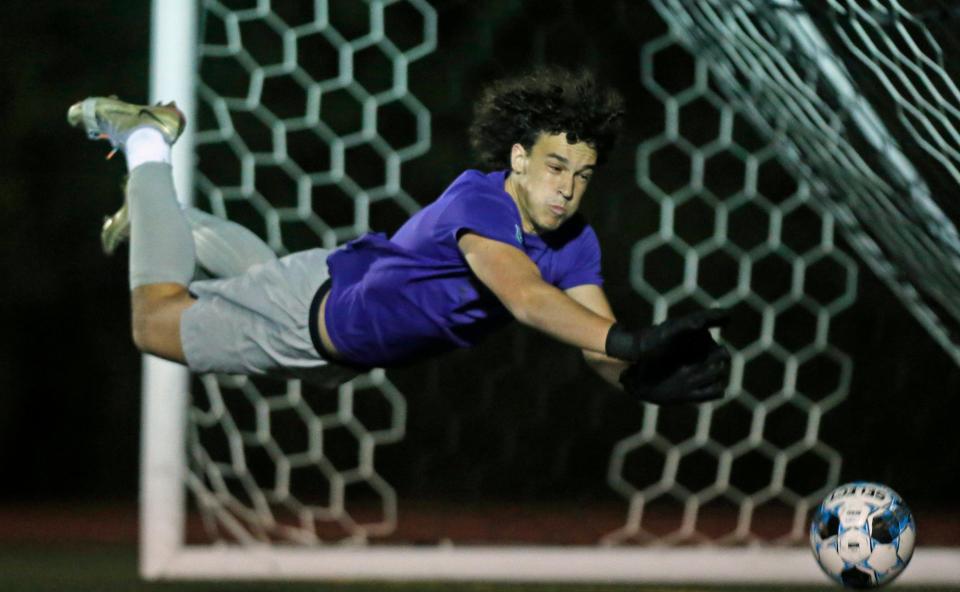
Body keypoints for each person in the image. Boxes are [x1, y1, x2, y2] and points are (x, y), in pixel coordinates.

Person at [68, 67, 730, 403]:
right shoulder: (482, 199)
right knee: (154, 321)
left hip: (338, 316)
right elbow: (527, 299)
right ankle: (147, 143)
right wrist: (632, 341)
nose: (568, 187)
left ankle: (164, 220)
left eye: (584, 175)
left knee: (253, 280)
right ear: (520, 160)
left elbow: (595, 340)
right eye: (556, 166)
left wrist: (634, 376)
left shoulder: (576, 242)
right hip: (311, 319)